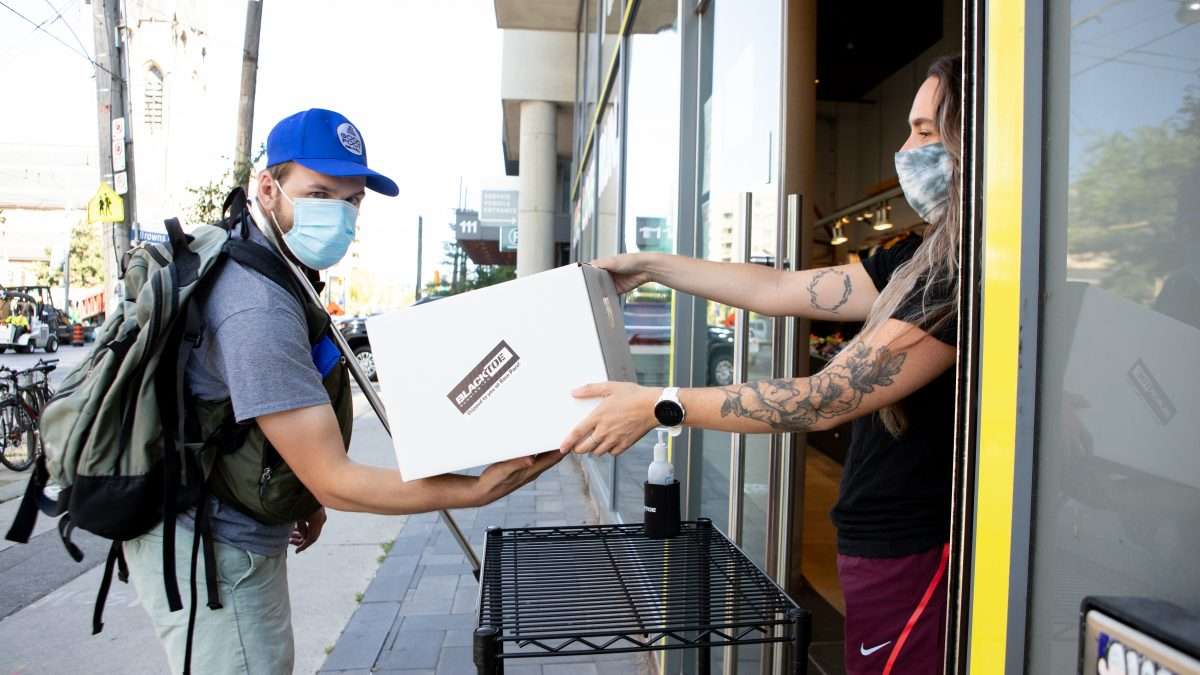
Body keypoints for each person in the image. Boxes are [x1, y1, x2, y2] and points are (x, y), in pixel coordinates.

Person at [561, 57, 963, 674]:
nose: (905, 149)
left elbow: (825, 396)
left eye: (927, 133)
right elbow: (780, 288)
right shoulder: (920, 257)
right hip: (879, 543)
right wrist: (653, 265)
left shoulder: (961, 276)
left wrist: (658, 404)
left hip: (917, 550)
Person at [123, 108, 561, 675]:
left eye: (351, 202)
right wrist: (474, 490)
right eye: (319, 193)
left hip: (232, 521)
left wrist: (302, 496)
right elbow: (336, 480)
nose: (338, 214)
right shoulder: (256, 305)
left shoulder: (277, 264)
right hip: (213, 549)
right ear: (268, 187)